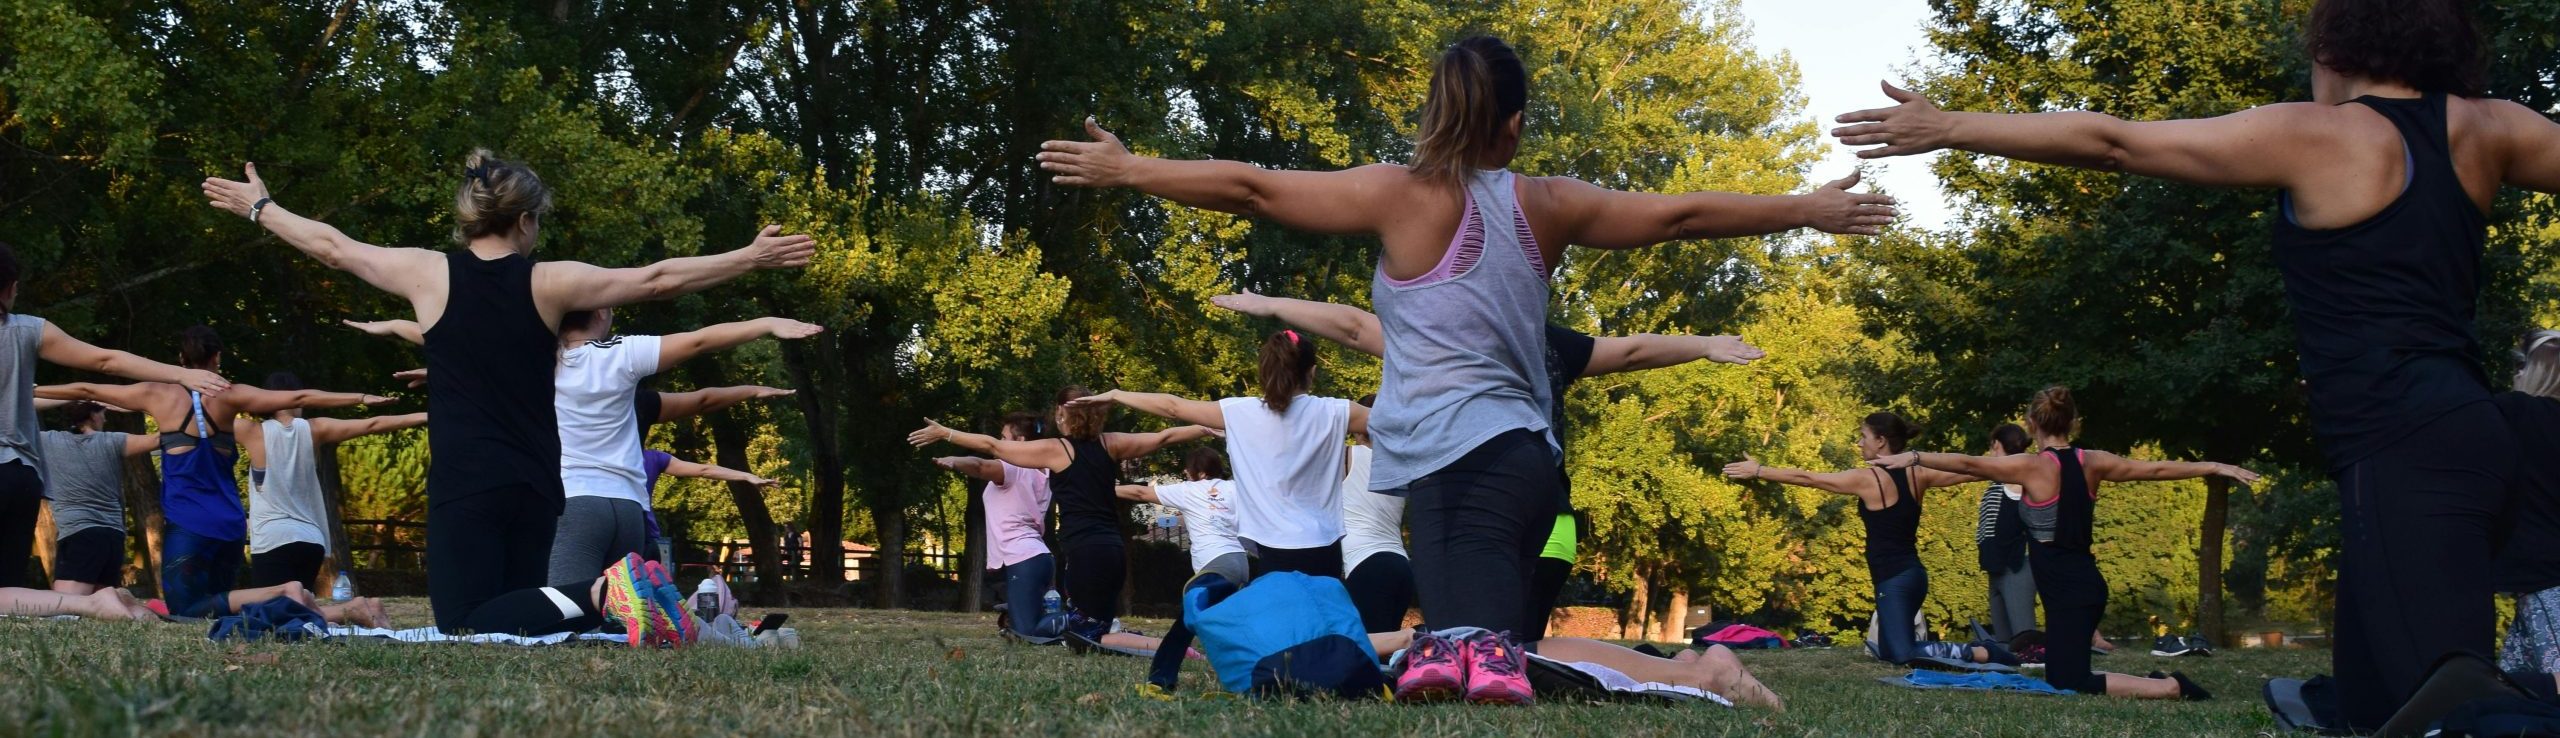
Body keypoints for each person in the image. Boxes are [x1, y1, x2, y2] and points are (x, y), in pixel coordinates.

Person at [1047, 26, 1876, 699]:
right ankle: (1695, 672)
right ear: (1513, 124)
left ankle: (1704, 673)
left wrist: (1131, 171)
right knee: (1487, 649)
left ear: (1435, 113)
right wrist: (1806, 209)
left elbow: (1255, 189)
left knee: (1482, 659)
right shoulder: (1547, 202)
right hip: (1524, 464)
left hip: (1462, 466)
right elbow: (1681, 215)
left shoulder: (1399, 193)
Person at [1833, 0, 2559, 725]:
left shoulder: (2322, 135)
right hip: (2472, 435)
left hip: (2405, 453)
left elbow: (2115, 143)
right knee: (2367, 703)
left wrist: (1951, 126)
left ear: (2336, 52)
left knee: (2454, 706)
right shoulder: (2488, 127)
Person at [203, 151, 814, 631]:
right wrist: (748, 258)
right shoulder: (550, 282)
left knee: (465, 620)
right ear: (524, 221)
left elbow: (333, 248)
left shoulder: (427, 272)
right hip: (537, 481)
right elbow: (656, 281)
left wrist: (262, 208)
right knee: (526, 613)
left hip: (469, 480)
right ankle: (632, 601)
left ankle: (607, 591)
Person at [1207, 290, 1764, 640]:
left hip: (1474, 507)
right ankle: (1663, 670)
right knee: (1519, 646)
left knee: (1476, 643)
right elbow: (1632, 351)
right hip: (1551, 515)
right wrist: (1703, 342)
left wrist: (1274, 306)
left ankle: (1675, 672)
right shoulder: (1551, 344)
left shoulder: (1446, 342)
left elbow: (1355, 327)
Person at [1875, 386, 2259, 700]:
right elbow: (2156, 469)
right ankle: (2157, 680)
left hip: (2071, 592)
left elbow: (1969, 464)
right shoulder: (2094, 460)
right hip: (2075, 588)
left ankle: (2172, 686)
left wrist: (1913, 456)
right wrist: (2212, 466)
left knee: (2069, 681)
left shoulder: (2030, 466)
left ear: (2030, 423)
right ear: (2073, 422)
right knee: (2063, 673)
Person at [37, 326, 391, 619]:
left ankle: (286, 592)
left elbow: (86, 389)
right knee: (222, 606)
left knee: (186, 608)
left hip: (189, 526)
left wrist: (30, 390)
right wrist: (359, 396)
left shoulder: (156, 393)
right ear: (217, 358)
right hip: (230, 525)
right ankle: (340, 608)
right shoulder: (232, 395)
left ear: (180, 360)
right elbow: (300, 394)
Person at [0, 242, 227, 590]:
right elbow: (107, 360)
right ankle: (97, 603)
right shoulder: (28, 330)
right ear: (12, 288)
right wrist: (179, 373)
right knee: (6, 591)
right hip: (20, 476)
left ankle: (89, 604)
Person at [908, 388, 1215, 641]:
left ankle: (1165, 646)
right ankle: (1159, 645)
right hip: (1115, 551)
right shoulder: (1112, 444)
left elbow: (992, 446)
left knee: (1087, 636)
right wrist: (1205, 427)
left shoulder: (1057, 450)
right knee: (1097, 631)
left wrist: (945, 433)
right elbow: (1163, 436)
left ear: (1061, 414)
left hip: (1086, 552)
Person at [1722, 412, 2013, 668]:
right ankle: (1974, 650)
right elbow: (1969, 472)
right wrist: (2005, 463)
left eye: (1864, 437)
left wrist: (1759, 471)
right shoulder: (1919, 473)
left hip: (1895, 579)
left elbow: (1809, 478)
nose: (1860, 443)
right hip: (1909, 576)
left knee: (1903, 653)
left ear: (1881, 441)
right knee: (1887, 651)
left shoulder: (1868, 478)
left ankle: (1982, 652)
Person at [1068, 331, 1367, 579]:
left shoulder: (1239, 411)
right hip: (1324, 543)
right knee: (1322, 629)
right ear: (1312, 372)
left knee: (1282, 634)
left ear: (1265, 371)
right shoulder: (1338, 411)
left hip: (1273, 547)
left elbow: (1172, 406)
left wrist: (1116, 394)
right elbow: (1396, 422)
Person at [236, 371, 429, 591]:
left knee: (270, 616)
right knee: (301, 613)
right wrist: (426, 415)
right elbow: (373, 424)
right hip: (311, 539)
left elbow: (208, 415)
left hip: (272, 538)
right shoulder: (316, 428)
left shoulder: (251, 431)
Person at [1115, 447, 1243, 692]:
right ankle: (1247, 676)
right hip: (1239, 563)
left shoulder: (1189, 490)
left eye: (1189, 468)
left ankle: (1160, 681)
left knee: (1184, 625)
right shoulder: (1235, 487)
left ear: (1201, 472)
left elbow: (1140, 491)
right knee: (1224, 624)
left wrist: (1098, 489)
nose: (1185, 472)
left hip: (1215, 566)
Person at [931, 412, 1053, 637]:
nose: (1000, 444)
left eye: (1003, 438)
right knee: (1024, 626)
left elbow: (979, 466)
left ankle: (1081, 622)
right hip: (1035, 557)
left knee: (1026, 632)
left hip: (1025, 558)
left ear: (1020, 442)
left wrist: (955, 461)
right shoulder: (1042, 471)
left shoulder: (1014, 468)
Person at [41, 401, 156, 595]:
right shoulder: (113, 441)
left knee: (68, 607)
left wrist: (66, 396)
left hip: (79, 534)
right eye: (103, 413)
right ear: (93, 416)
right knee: (103, 605)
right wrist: (140, 406)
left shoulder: (47, 440)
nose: (106, 417)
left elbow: (15, 411)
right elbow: (165, 437)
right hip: (113, 537)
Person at [1335, 394, 1410, 636]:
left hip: (1365, 563)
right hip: (1401, 564)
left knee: (1367, 649)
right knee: (1388, 652)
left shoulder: (1345, 456)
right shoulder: (1402, 465)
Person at [1975, 423, 2036, 644]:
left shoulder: (2017, 479)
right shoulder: (1999, 480)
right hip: (1996, 565)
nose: (1991, 454)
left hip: (2016, 565)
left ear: (2000, 445)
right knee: (2003, 639)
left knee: (2023, 634)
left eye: (1993, 448)